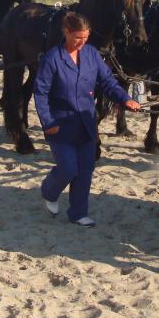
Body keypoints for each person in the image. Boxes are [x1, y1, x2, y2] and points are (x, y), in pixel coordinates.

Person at [33, 12, 140, 228]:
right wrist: (48, 122)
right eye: (77, 38)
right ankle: (49, 191)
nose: (81, 42)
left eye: (85, 37)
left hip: (86, 123)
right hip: (60, 125)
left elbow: (107, 82)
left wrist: (125, 99)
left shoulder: (91, 54)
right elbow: (41, 93)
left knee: (85, 170)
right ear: (66, 32)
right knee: (68, 169)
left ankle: (78, 213)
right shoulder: (52, 58)